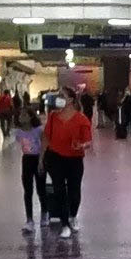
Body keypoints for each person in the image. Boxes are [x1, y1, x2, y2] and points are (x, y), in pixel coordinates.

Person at [43, 87, 94, 239]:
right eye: (58, 95)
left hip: (74, 159)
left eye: (62, 96)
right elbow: (46, 137)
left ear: (71, 100)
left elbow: (88, 141)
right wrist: (41, 157)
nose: (59, 98)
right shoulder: (53, 117)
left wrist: (81, 145)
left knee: (74, 190)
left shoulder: (81, 119)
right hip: (55, 157)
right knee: (59, 190)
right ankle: (64, 224)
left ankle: (73, 215)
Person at [14, 105, 47, 232]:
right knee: (28, 190)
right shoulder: (19, 132)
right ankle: (29, 219)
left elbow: (44, 145)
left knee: (41, 188)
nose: (21, 117)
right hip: (27, 160)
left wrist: (41, 161)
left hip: (38, 159)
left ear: (30, 117)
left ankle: (44, 212)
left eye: (24, 115)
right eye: (20, 115)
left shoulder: (39, 130)